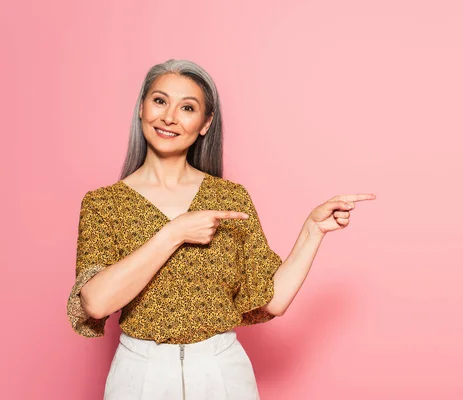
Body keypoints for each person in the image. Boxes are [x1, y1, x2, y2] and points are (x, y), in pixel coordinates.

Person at [66, 59, 376, 400]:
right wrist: (175, 232)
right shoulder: (104, 204)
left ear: (205, 123)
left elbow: (273, 300)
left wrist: (312, 231)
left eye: (187, 107)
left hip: (221, 371)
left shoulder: (229, 197)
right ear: (141, 108)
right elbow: (95, 303)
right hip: (140, 374)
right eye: (159, 101)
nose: (169, 117)